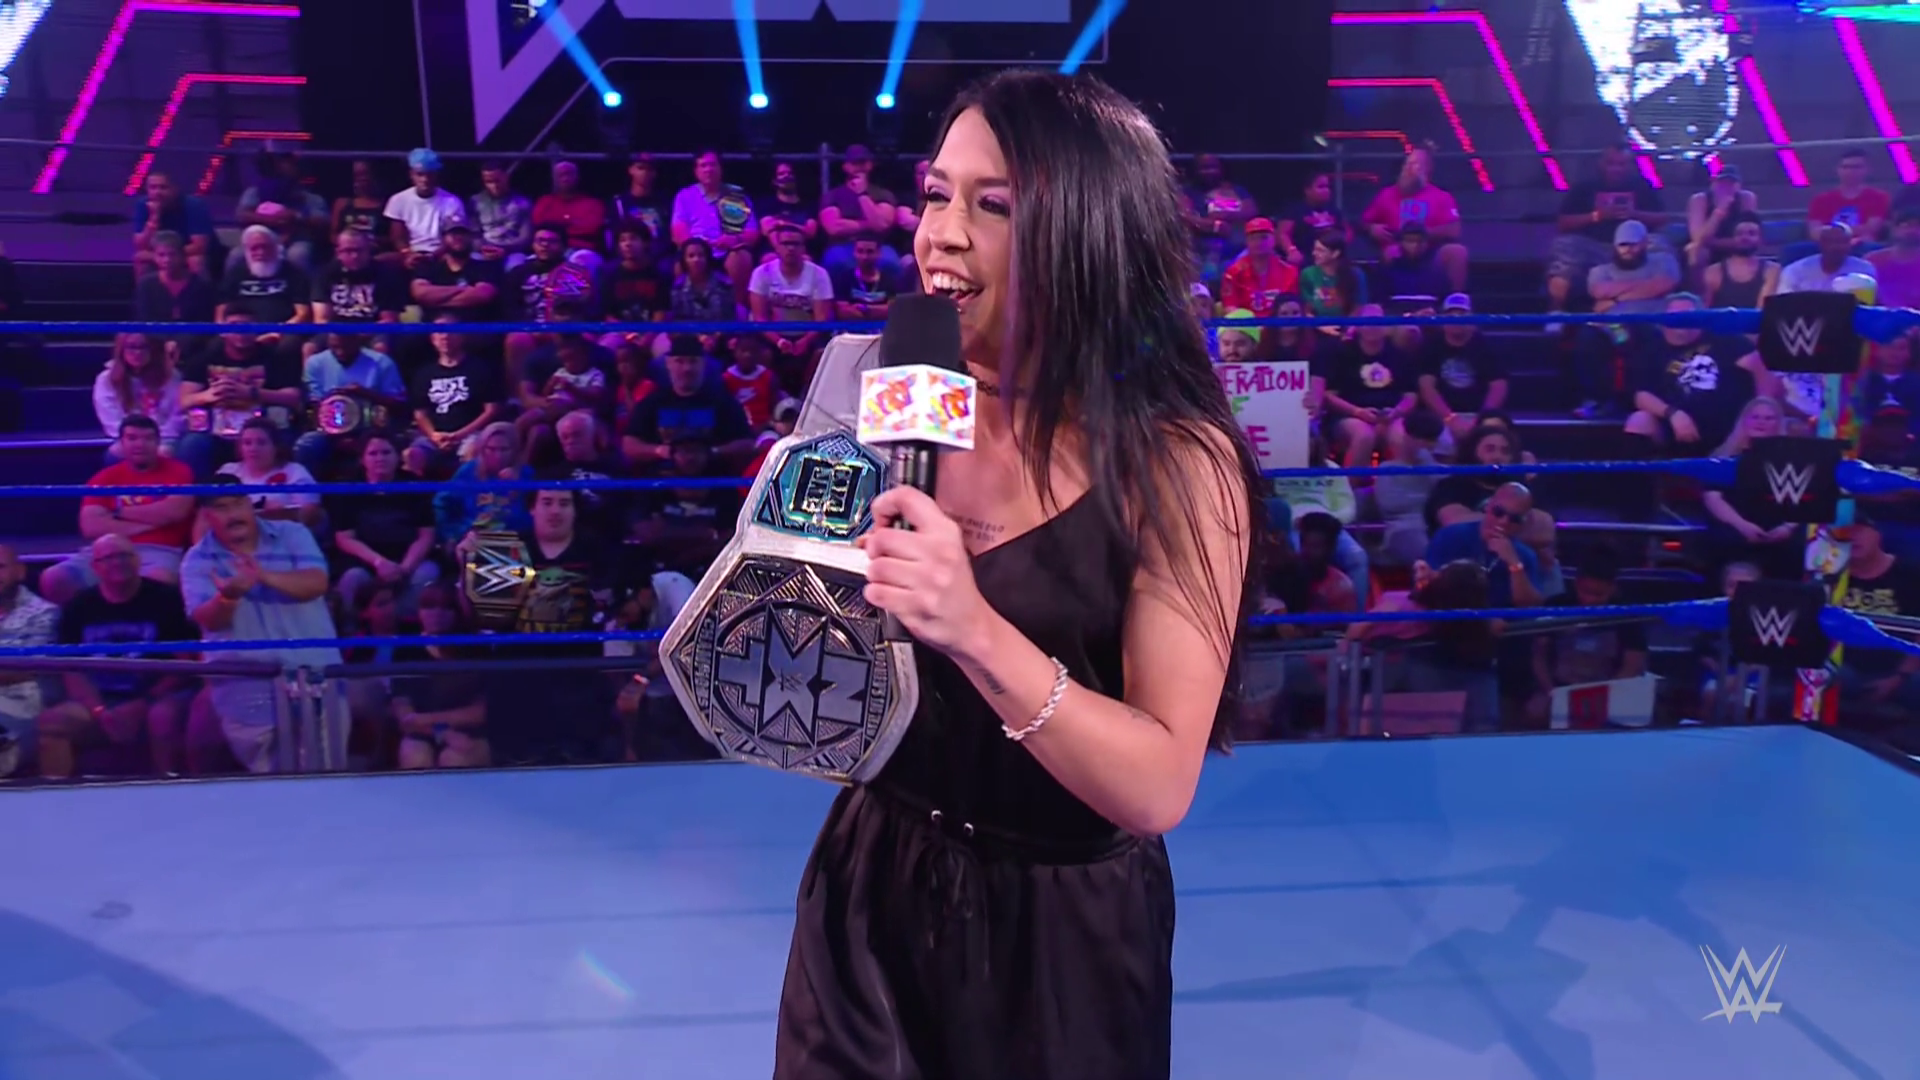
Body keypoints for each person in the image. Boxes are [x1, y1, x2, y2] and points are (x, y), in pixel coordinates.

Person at [773, 71, 1261, 1080]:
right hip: (869, 892)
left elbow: (1158, 785)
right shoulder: (884, 391)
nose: (940, 235)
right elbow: (814, 669)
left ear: (1089, 231)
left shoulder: (1177, 461)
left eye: (992, 206)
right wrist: (778, 570)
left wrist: (974, 628)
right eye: (934, 195)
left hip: (1062, 936)